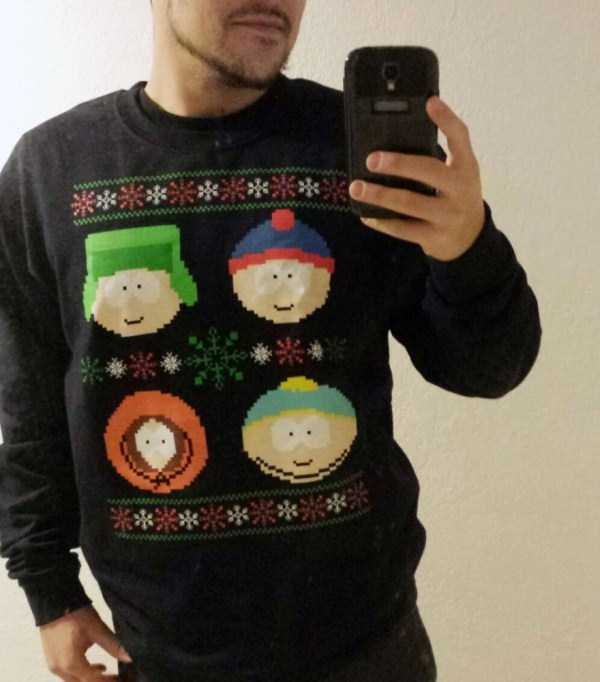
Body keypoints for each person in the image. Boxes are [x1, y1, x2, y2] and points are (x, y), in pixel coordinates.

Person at [0, 1, 542, 680]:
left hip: (368, 649)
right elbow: (30, 407)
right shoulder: (50, 171)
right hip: (155, 653)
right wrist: (48, 589)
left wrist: (468, 248)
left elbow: (487, 368)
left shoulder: (356, 149)